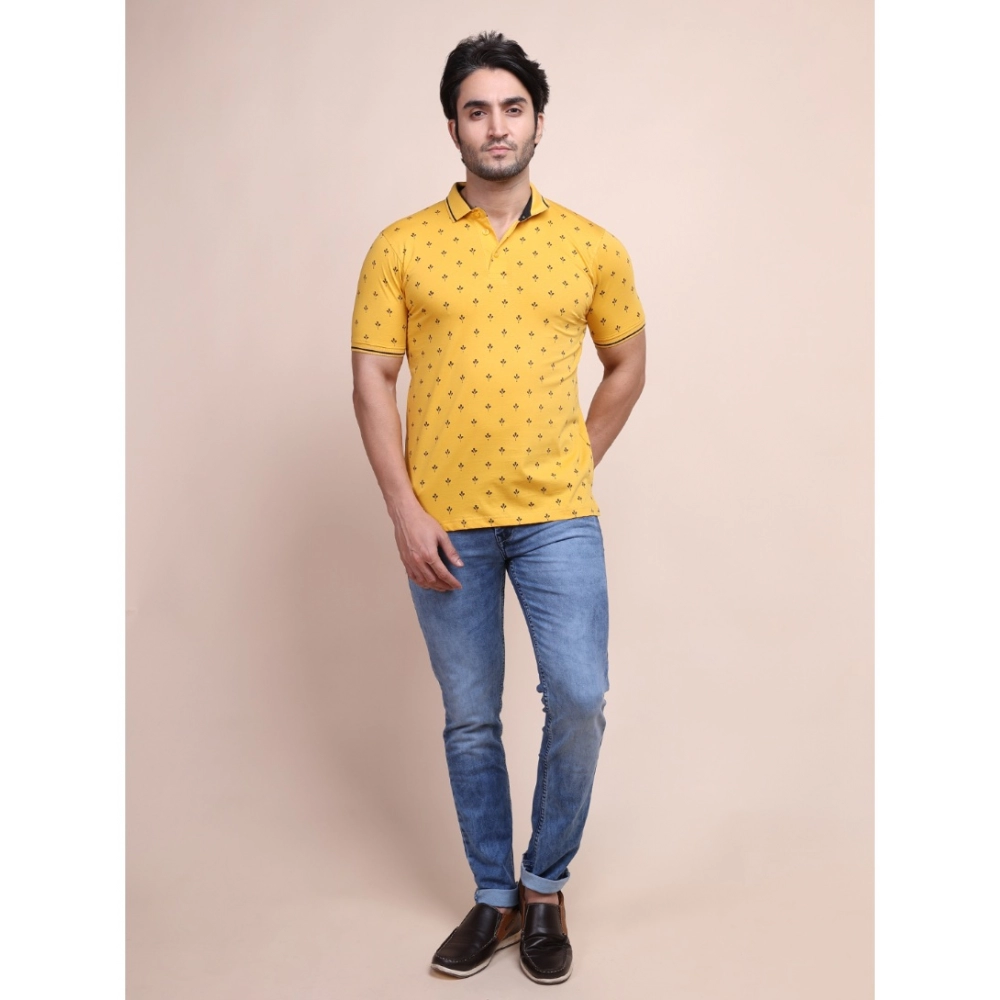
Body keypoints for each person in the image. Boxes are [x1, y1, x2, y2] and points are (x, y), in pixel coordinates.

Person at [350, 31, 646, 985]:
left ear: (538, 121)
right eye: (476, 110)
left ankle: (544, 887)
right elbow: (372, 379)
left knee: (580, 699)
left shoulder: (592, 245)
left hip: (558, 516)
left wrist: (576, 460)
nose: (496, 125)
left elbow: (627, 363)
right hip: (445, 524)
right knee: (471, 718)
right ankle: (493, 896)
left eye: (512, 107)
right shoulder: (400, 245)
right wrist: (403, 510)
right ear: (454, 127)